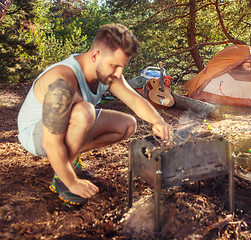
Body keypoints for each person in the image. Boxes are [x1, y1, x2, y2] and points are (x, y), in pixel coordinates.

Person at [17, 23, 173, 205]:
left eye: (122, 66)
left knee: (127, 125)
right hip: (36, 133)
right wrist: (72, 182)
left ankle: (68, 160)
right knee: (85, 111)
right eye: (115, 66)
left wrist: (158, 120)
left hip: (67, 124)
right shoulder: (63, 80)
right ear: (95, 55)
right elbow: (50, 143)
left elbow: (134, 100)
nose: (118, 73)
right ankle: (63, 178)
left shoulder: (108, 72)